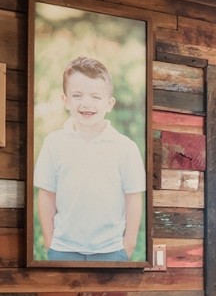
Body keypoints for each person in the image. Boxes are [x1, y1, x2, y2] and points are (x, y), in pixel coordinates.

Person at [33, 56, 144, 261]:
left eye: (95, 96)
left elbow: (133, 198)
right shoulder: (54, 143)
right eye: (77, 95)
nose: (86, 103)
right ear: (65, 100)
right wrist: (50, 242)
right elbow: (46, 194)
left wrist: (128, 245)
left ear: (109, 104)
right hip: (63, 249)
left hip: (111, 250)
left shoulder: (125, 148)